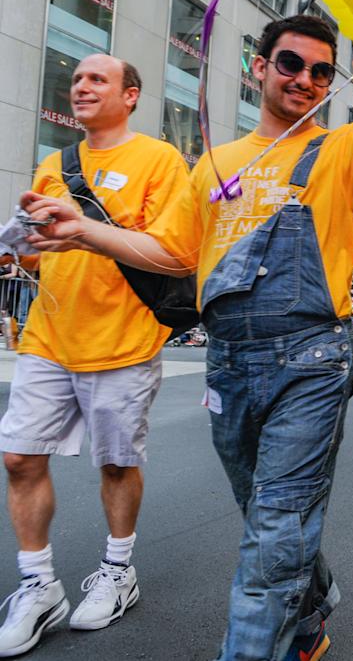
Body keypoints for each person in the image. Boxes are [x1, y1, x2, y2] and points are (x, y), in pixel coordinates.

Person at [23, 17, 353, 660]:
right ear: (258, 67)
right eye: (291, 64)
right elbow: (170, 253)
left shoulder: (345, 148)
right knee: (265, 511)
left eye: (322, 72)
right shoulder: (212, 163)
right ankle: (313, 601)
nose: (307, 80)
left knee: (274, 525)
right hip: (228, 364)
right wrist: (82, 230)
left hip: (311, 361)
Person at [0, 55, 190, 655]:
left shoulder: (159, 160)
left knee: (114, 463)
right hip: (49, 337)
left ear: (130, 95)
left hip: (122, 340)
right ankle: (39, 585)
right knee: (18, 460)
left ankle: (118, 570)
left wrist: (81, 226)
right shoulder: (56, 163)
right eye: (77, 78)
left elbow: (174, 254)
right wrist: (21, 242)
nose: (81, 86)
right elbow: (42, 254)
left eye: (97, 80)